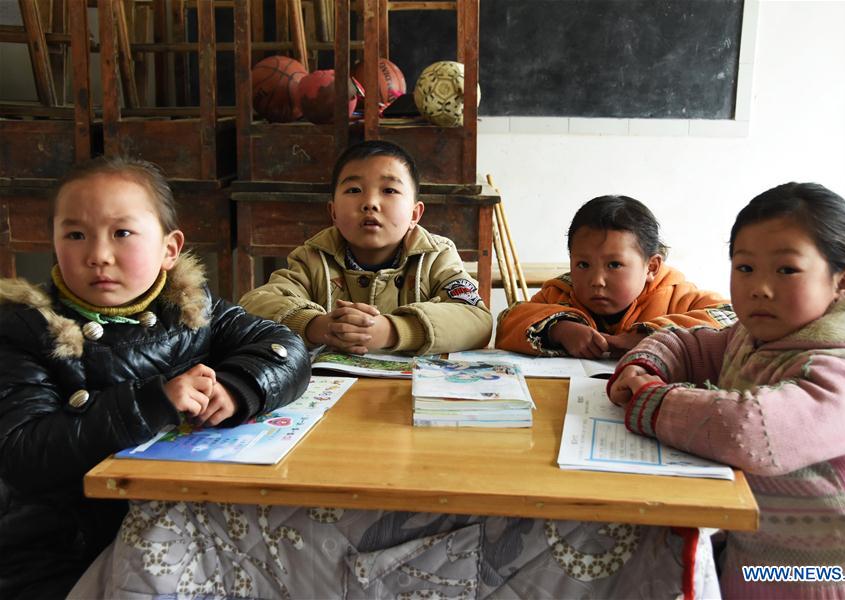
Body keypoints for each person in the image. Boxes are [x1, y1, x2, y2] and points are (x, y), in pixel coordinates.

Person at [0, 156, 311, 599]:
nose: (98, 255)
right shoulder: (30, 329)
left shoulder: (188, 309)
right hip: (67, 550)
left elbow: (283, 345)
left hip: (188, 528)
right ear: (53, 243)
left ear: (169, 248)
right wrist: (154, 401)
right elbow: (23, 452)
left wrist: (240, 386)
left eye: (122, 233)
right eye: (75, 235)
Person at [608, 182, 845, 598]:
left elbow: (753, 431)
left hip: (832, 580)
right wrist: (643, 364)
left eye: (786, 270)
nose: (760, 288)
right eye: (745, 268)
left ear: (844, 282)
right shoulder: (756, 334)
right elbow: (689, 343)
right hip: (759, 559)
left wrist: (651, 401)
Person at [239, 140, 492, 355]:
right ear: (333, 212)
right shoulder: (313, 258)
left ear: (415, 213)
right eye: (354, 190)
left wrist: (393, 331)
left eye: (389, 190)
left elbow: (478, 321)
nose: (370, 203)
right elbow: (253, 306)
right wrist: (316, 326)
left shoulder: (436, 257)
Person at [495, 195, 734, 357]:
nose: (596, 280)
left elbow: (732, 318)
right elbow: (508, 321)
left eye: (614, 265)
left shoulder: (677, 296)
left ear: (651, 267)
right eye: (583, 264)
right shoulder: (560, 294)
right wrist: (559, 329)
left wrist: (651, 334)